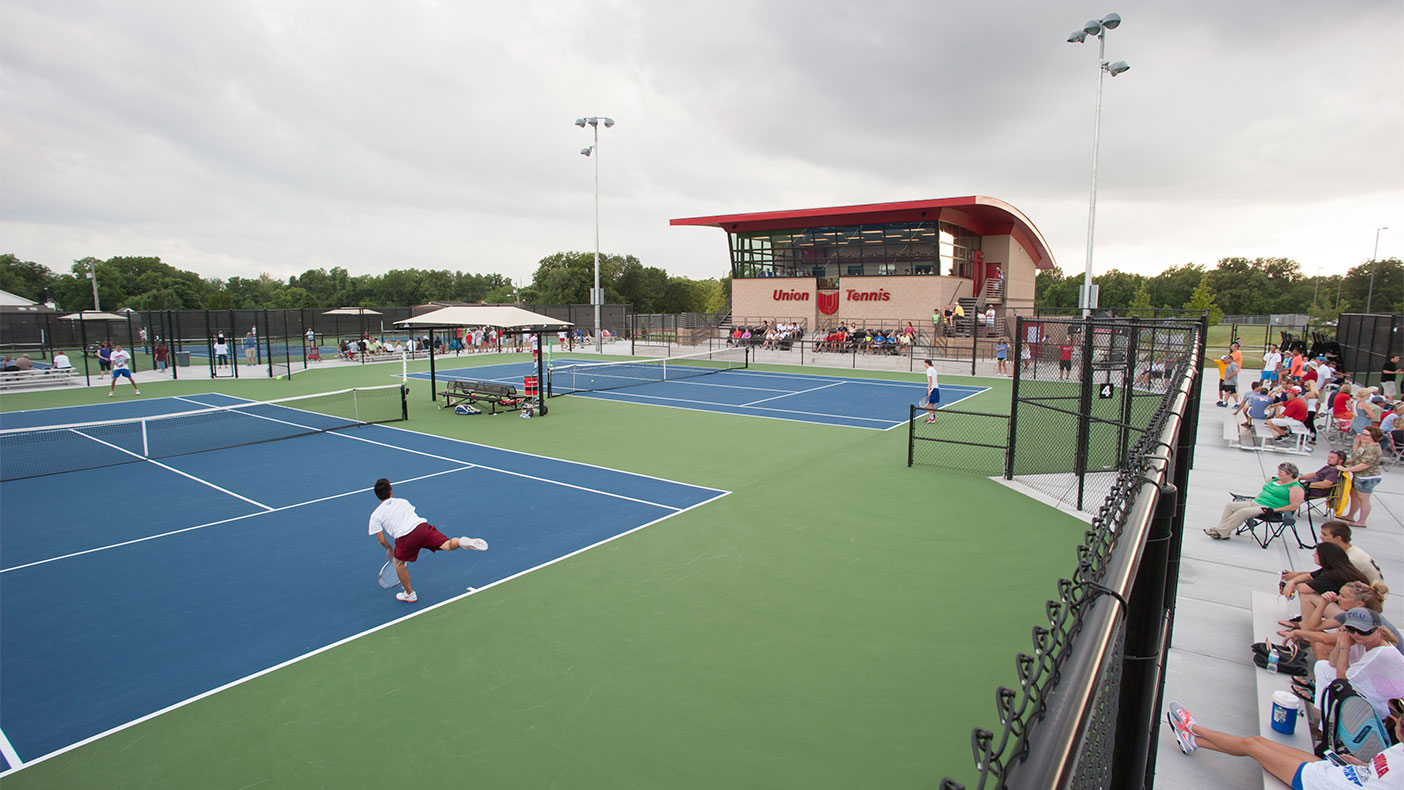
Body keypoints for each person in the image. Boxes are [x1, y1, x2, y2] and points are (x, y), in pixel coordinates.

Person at [1163, 696, 1404, 786]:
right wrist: (1361, 766)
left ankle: (1191, 727)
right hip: (1341, 773)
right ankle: (1192, 740)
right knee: (1258, 741)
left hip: (1321, 783)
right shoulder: (1399, 748)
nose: (1398, 720)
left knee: (1253, 746)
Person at [368, 478, 489, 603]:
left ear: (377, 496)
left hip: (405, 537)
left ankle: (409, 594)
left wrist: (390, 548)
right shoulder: (403, 502)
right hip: (422, 528)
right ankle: (461, 542)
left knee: (399, 563)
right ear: (391, 491)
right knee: (447, 544)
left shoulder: (376, 515)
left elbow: (381, 540)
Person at [1308, 608, 1404, 722]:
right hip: (1370, 694)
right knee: (1322, 667)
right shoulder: (1363, 642)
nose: (1357, 634)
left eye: (1363, 631)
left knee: (1335, 687)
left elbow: (1342, 680)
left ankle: (1329, 727)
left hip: (1383, 706)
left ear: (1379, 632)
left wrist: (1345, 646)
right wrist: (1340, 642)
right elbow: (1332, 662)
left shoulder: (1381, 653)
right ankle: (1325, 722)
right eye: (1351, 629)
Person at [1203, 462, 1304, 540]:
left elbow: (1294, 506)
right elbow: (1265, 491)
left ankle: (1219, 531)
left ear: (1290, 474)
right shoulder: (1273, 480)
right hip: (1256, 503)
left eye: (1281, 473)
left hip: (1269, 509)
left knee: (1243, 512)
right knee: (1230, 505)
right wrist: (1255, 498)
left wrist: (1275, 510)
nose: (1278, 474)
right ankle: (1223, 532)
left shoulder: (1295, 488)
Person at [1281, 542, 1373, 619]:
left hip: (1354, 616)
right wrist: (1292, 582)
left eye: (1316, 554)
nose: (1313, 555)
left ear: (1325, 557)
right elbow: (1308, 576)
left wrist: (1292, 585)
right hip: (1357, 609)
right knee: (1310, 586)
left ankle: (1306, 627)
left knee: (1308, 594)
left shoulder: (1332, 575)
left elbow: (1303, 589)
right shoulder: (1339, 567)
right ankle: (1305, 624)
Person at [1339, 427, 1384, 527]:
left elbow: (1365, 465)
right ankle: (1350, 515)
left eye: (1366, 435)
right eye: (1362, 434)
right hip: (1359, 476)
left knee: (1364, 499)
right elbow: (1356, 458)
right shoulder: (1365, 445)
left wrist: (1346, 469)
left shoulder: (1374, 448)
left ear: (1373, 437)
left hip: (1367, 478)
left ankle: (1362, 521)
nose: (1363, 436)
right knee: (1354, 496)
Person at [923, 359, 940, 424]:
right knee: (932, 404)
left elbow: (930, 379)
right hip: (936, 388)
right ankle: (933, 418)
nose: (924, 365)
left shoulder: (929, 370)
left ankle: (932, 418)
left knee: (926, 403)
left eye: (924, 363)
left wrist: (929, 389)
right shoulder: (933, 369)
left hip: (932, 389)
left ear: (927, 363)